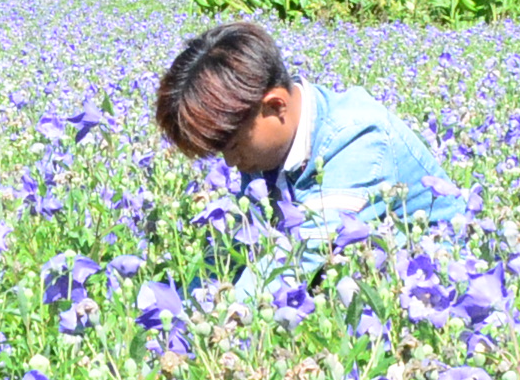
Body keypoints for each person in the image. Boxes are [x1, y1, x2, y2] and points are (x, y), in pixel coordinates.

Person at [153, 20, 462, 249]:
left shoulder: (358, 141)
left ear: (275, 105)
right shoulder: (268, 142)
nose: (231, 163)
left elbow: (301, 261)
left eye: (232, 146)